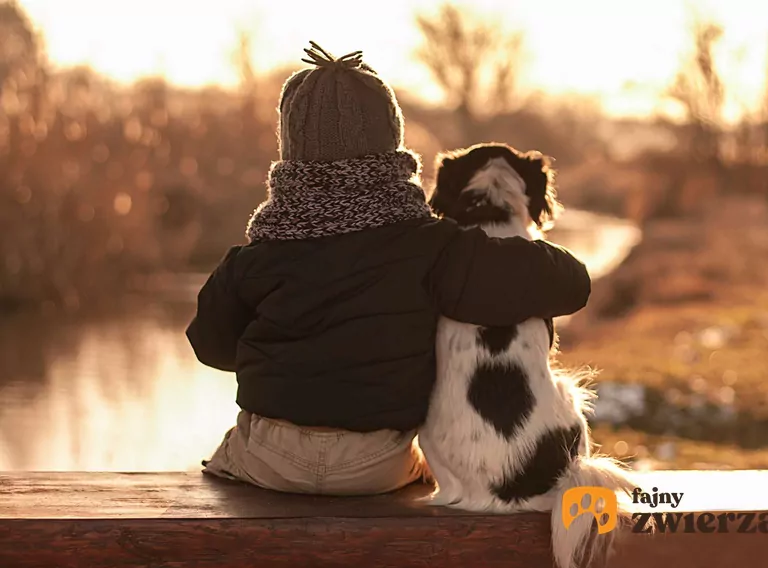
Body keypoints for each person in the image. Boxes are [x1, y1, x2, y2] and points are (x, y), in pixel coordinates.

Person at [186, 42, 592, 496]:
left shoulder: (257, 256)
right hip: (376, 464)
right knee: (424, 471)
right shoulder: (432, 247)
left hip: (270, 459)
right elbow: (571, 283)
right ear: (391, 140)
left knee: (224, 457)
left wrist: (278, 355)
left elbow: (209, 346)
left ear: (290, 150)